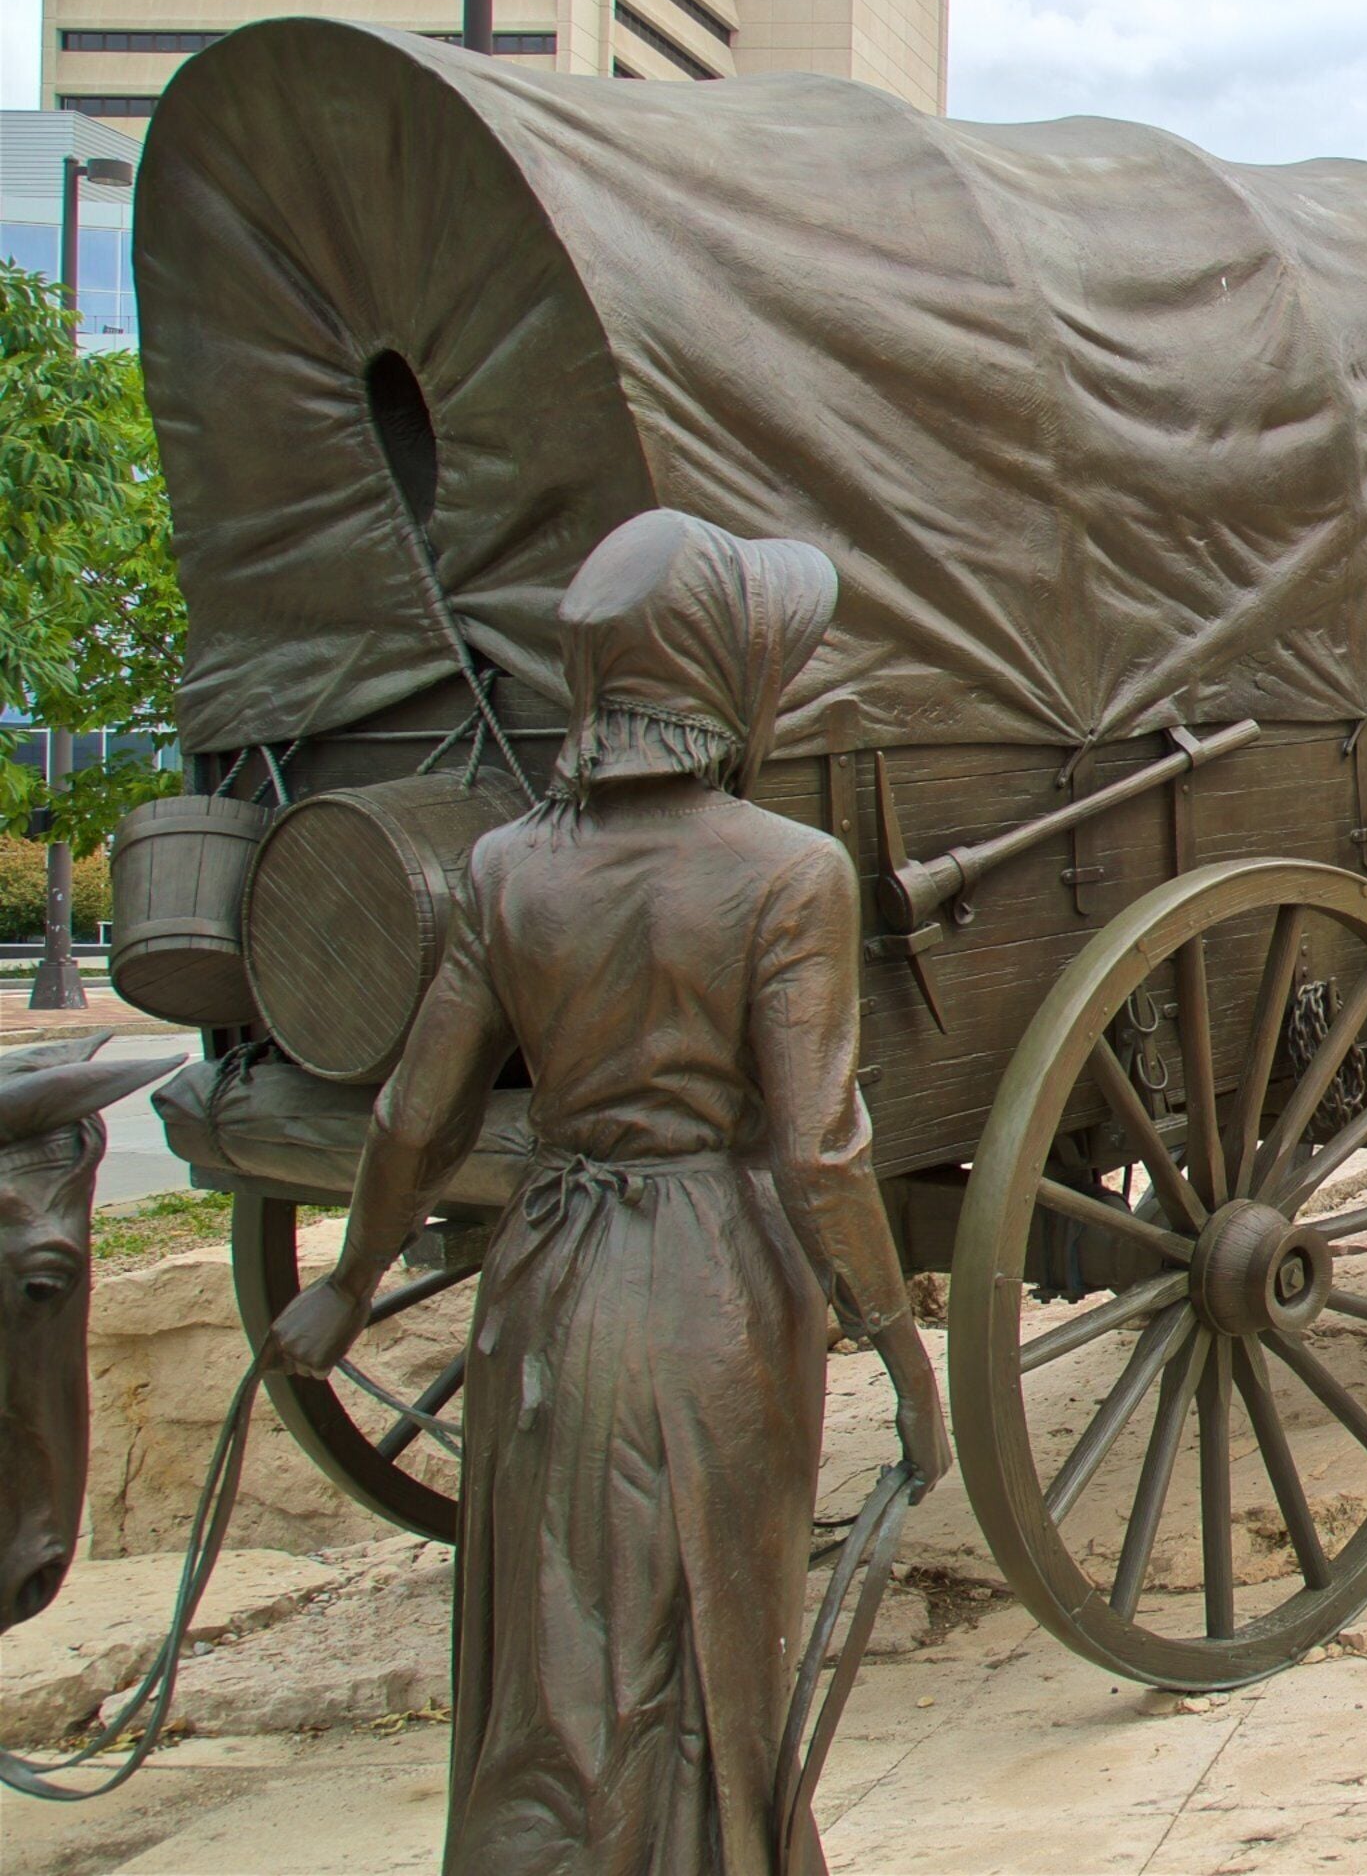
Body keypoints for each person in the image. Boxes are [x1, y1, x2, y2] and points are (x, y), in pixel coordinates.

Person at [265, 510, 950, 1876]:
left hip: (545, 1289)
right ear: (722, 680)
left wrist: (345, 1285)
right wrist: (900, 1354)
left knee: (556, 1653)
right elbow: (818, 1150)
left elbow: (416, 1111)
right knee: (710, 1657)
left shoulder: (507, 868)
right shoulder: (788, 873)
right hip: (712, 1295)